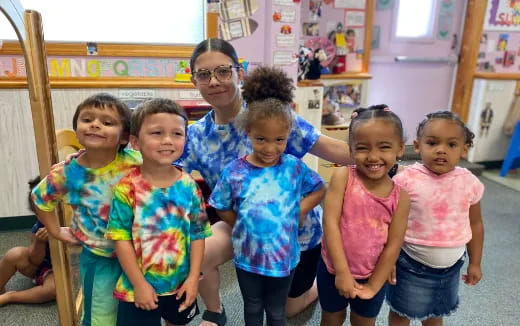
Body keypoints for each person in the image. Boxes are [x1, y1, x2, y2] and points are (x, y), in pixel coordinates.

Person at [182, 38, 352, 326]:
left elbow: (330, 148)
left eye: (223, 71)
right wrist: (97, 161)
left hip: (294, 232)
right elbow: (160, 167)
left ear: (240, 72)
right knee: (198, 250)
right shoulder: (197, 134)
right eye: (204, 74)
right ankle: (214, 311)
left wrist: (376, 153)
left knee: (284, 309)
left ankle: (314, 286)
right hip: (240, 222)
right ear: (194, 79)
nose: (214, 81)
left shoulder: (271, 117)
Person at [208, 66, 326, 326]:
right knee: (251, 307)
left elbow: (319, 189)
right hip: (247, 257)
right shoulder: (235, 171)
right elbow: (219, 203)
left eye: (279, 140)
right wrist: (239, 222)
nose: (270, 148)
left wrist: (301, 210)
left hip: (284, 257)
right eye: (261, 139)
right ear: (247, 131)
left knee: (275, 311)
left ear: (287, 136)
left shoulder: (294, 167)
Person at [31, 93, 142, 326]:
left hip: (140, 254)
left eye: (107, 122)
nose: (95, 124)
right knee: (101, 317)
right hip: (100, 257)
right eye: (87, 119)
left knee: (138, 309)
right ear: (77, 128)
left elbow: (166, 172)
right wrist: (55, 231)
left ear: (124, 137)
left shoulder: (135, 161)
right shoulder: (68, 173)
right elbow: (40, 199)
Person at [105, 98, 212, 326]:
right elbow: (120, 238)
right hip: (138, 287)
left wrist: (194, 279)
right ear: (135, 141)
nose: (167, 141)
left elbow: (198, 234)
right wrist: (140, 284)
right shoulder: (127, 188)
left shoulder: (189, 186)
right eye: (156, 133)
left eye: (177, 133)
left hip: (180, 284)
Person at [387, 111, 485, 326]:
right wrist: (388, 260)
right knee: (401, 312)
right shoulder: (405, 180)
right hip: (410, 264)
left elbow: (476, 225)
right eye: (432, 143)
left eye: (451, 145)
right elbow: (391, 223)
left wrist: (475, 263)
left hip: (452, 268)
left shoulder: (469, 182)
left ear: (464, 148)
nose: (441, 150)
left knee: (435, 311)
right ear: (418, 145)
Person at [319, 105, 410, 326]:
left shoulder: (401, 197)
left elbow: (393, 244)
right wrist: (342, 273)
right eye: (362, 148)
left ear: (400, 149)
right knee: (331, 319)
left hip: (372, 274)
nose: (373, 156)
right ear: (350, 149)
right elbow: (330, 223)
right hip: (333, 269)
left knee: (364, 322)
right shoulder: (343, 177)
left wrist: (374, 285)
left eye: (384, 147)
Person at [0, 176, 55, 306]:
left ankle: (11, 297)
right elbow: (34, 259)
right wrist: (39, 242)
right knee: (14, 254)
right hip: (43, 267)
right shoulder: (39, 228)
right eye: (42, 214)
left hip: (61, 272)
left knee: (52, 289)